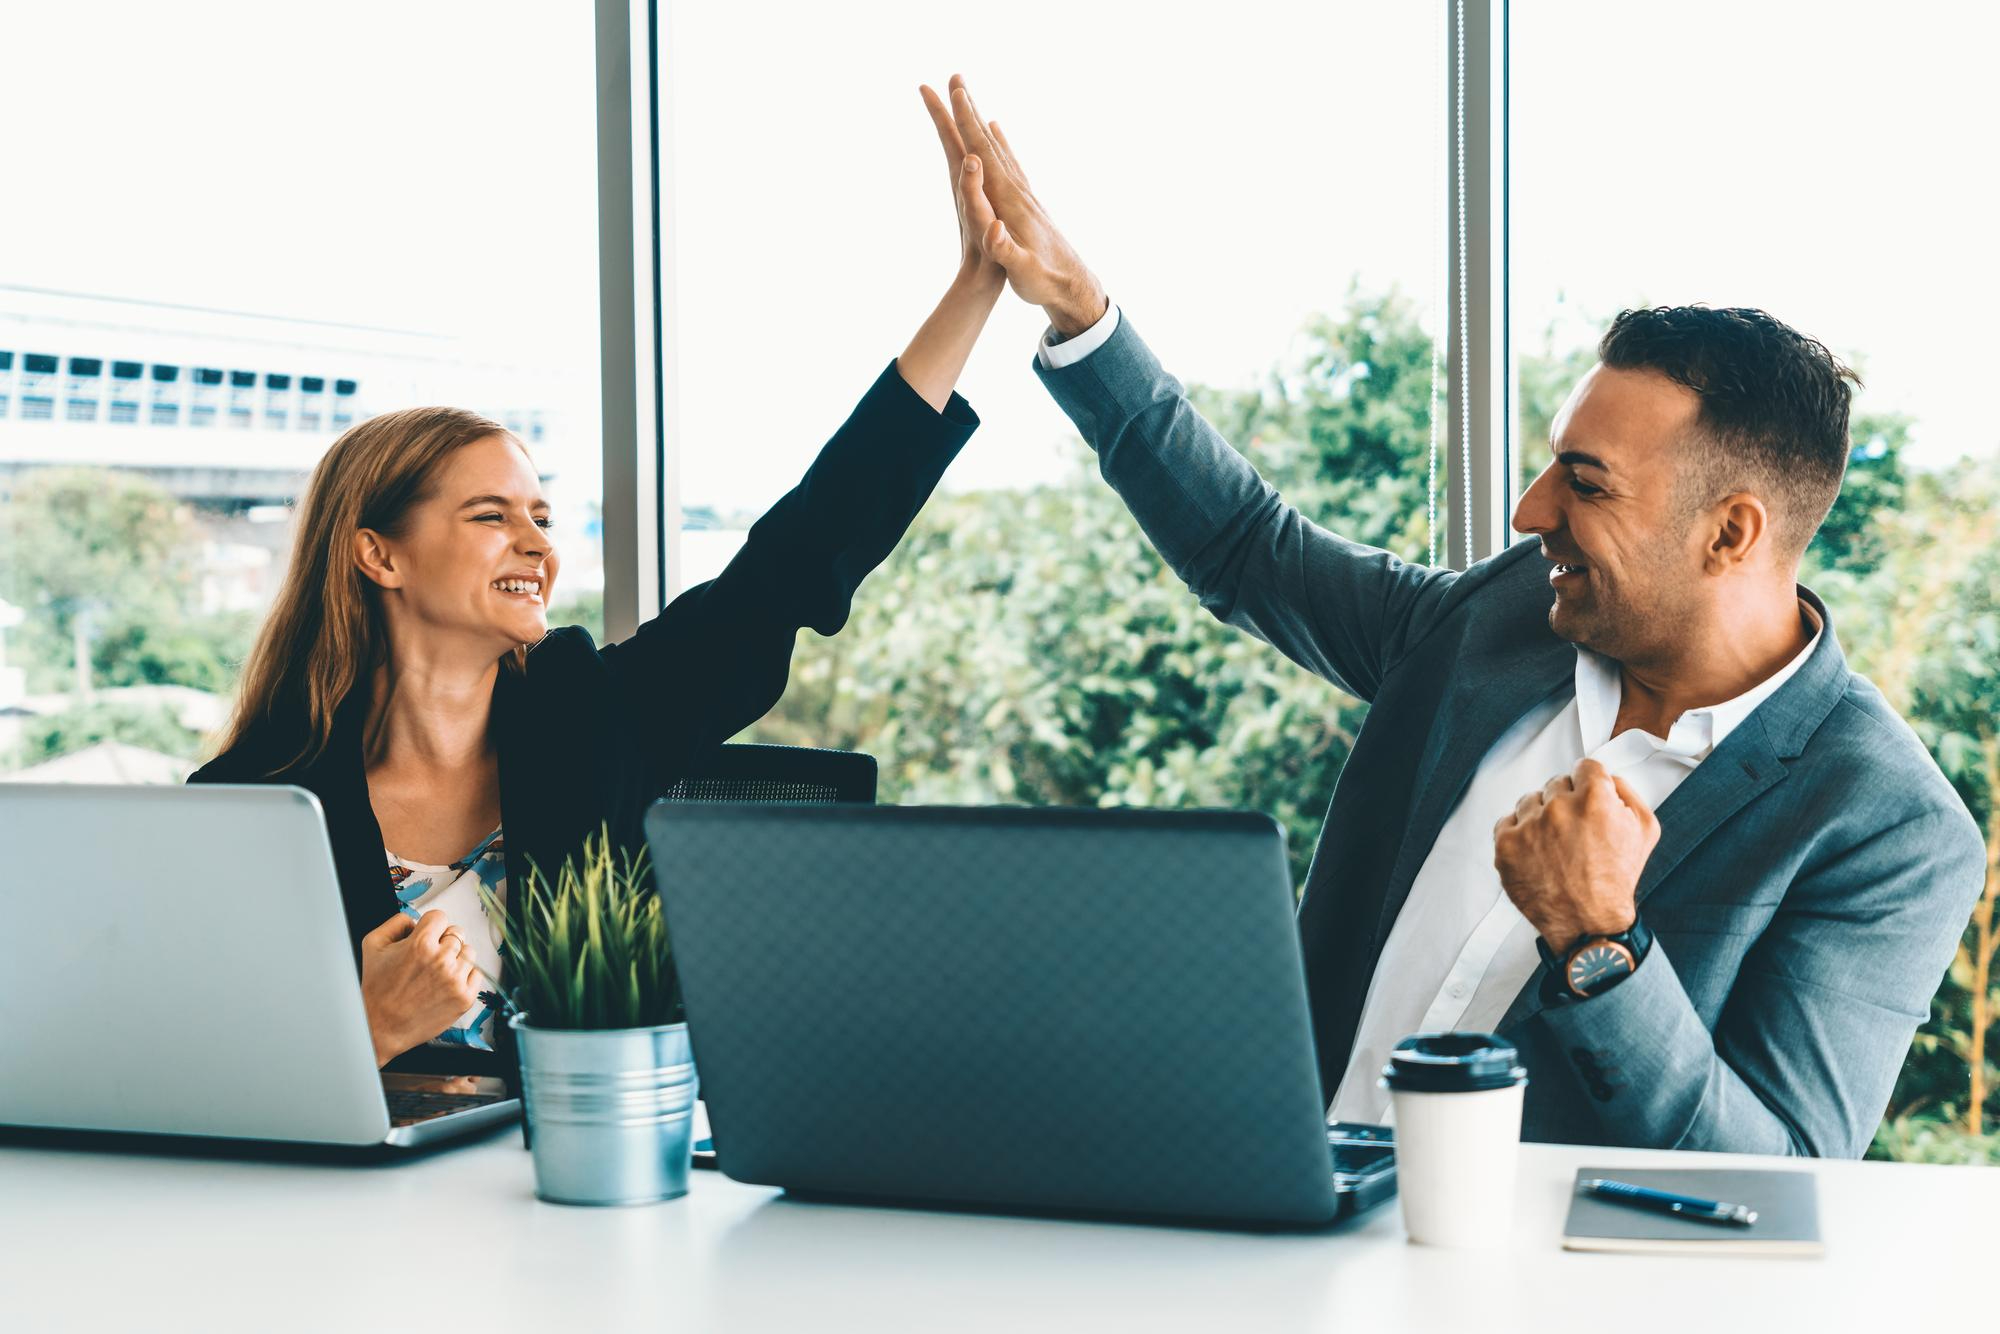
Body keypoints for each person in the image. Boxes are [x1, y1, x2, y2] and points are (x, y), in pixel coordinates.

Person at [936, 75, 1984, 1157]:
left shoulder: (1888, 825)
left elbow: (1781, 1176)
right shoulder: (1499, 618)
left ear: (1729, 533)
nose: (1531, 511)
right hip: (1289, 1215)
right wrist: (1078, 312)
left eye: (1585, 482)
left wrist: (1599, 940)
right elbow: (1249, 549)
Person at [190, 88, 1010, 1071]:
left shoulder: (595, 711)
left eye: (540, 517)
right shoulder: (251, 802)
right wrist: (364, 1031)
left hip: (596, 1156)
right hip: (370, 1172)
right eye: (491, 516)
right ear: (380, 555)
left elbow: (794, 558)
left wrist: (975, 286)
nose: (535, 546)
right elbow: (199, 1072)